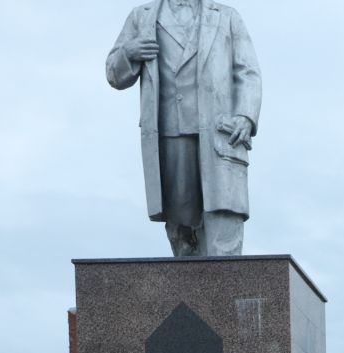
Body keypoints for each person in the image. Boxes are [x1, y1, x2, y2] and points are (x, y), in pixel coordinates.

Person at [105, 0, 261, 257]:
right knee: (180, 225)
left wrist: (246, 115)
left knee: (225, 211)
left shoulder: (227, 16)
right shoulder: (141, 16)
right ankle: (187, 286)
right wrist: (128, 53)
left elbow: (247, 71)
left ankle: (227, 284)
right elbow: (114, 74)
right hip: (169, 132)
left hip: (219, 131)